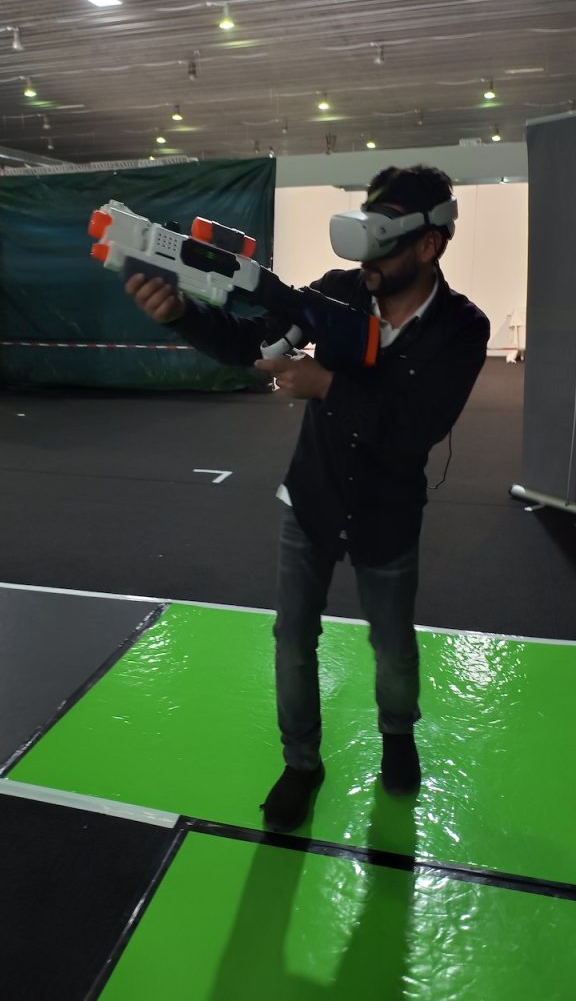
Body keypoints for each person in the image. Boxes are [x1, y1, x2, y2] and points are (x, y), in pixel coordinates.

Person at [125, 165, 490, 834]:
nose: (367, 261)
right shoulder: (336, 292)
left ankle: (397, 735)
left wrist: (327, 386)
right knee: (292, 641)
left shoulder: (463, 327)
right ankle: (301, 764)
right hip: (311, 496)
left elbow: (418, 428)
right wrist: (182, 314)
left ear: (428, 244)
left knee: (393, 646)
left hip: (387, 512)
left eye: (383, 244)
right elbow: (250, 342)